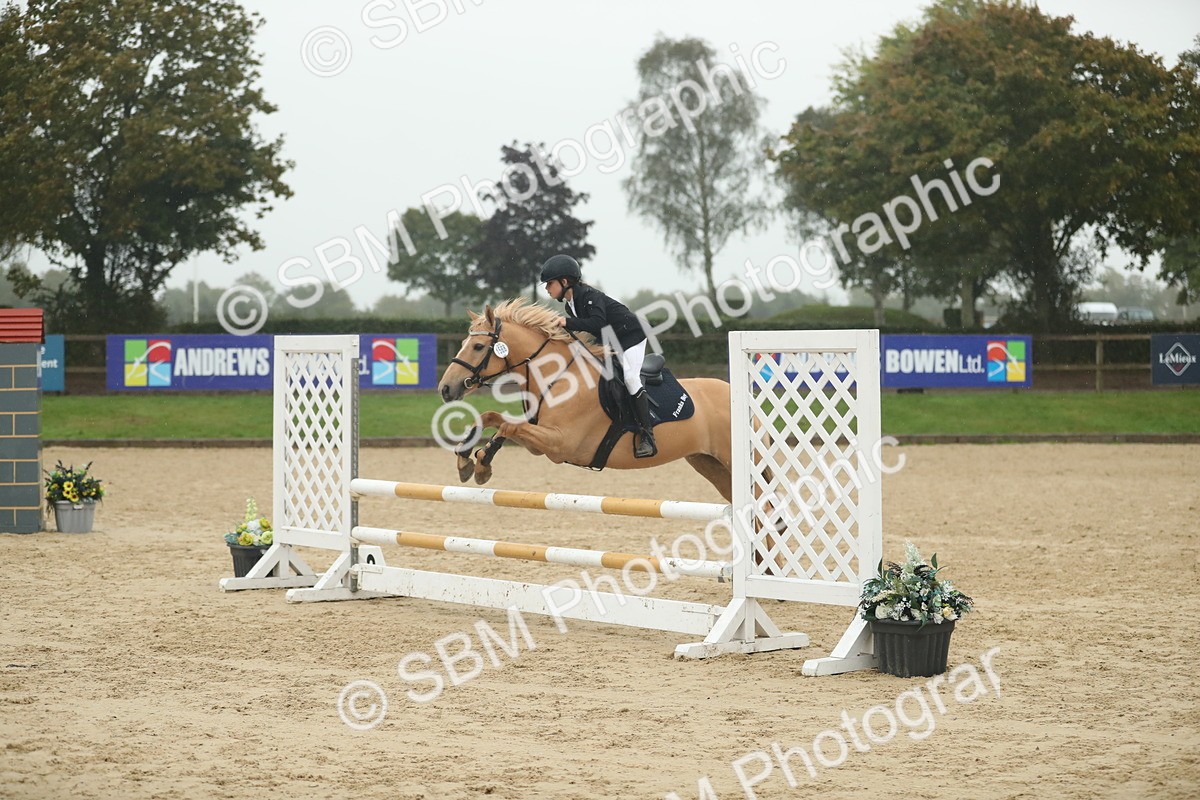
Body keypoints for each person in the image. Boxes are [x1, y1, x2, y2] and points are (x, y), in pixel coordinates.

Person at [539, 254, 657, 459]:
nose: (547, 289)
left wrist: (567, 322)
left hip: (632, 336)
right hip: (612, 339)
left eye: (550, 283)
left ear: (565, 282)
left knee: (630, 378)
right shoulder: (570, 304)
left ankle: (648, 437)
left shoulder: (588, 295)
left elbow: (597, 323)